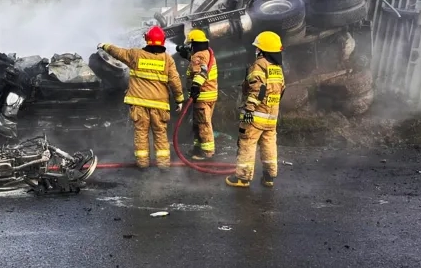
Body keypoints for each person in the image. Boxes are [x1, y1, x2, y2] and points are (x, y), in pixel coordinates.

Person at [98, 25, 185, 169]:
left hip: (139, 105)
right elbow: (175, 81)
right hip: (159, 105)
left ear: (146, 39)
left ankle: (142, 163)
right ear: (163, 41)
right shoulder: (167, 60)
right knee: (160, 133)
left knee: (141, 133)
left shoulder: (136, 55)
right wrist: (179, 100)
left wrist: (105, 46)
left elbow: (118, 52)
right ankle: (163, 164)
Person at [226, 31, 286, 188]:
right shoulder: (277, 68)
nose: (256, 51)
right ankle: (269, 177)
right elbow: (282, 90)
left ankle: (242, 178)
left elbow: (258, 90)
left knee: (247, 142)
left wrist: (248, 111)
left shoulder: (259, 65)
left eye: (258, 48)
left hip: (255, 115)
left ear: (263, 50)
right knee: (269, 144)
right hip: (271, 116)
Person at [177, 29, 219, 160]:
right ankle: (198, 147)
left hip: (202, 96)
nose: (188, 46)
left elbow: (201, 73)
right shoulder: (206, 53)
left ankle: (206, 152)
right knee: (199, 123)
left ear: (193, 43)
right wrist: (188, 57)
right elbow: (203, 65)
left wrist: (195, 87)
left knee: (203, 124)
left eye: (189, 44)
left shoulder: (198, 56)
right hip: (209, 95)